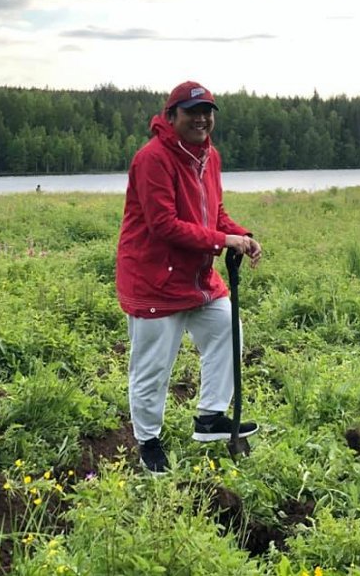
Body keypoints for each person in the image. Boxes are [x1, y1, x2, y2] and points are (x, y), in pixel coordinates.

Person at [116, 80, 262, 474]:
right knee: (152, 368)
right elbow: (165, 225)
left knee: (227, 331)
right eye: (192, 112)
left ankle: (210, 417)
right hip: (153, 281)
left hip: (195, 280)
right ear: (171, 116)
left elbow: (214, 214)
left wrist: (240, 235)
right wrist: (221, 240)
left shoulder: (208, 157)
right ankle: (147, 442)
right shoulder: (153, 159)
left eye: (207, 112)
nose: (201, 119)